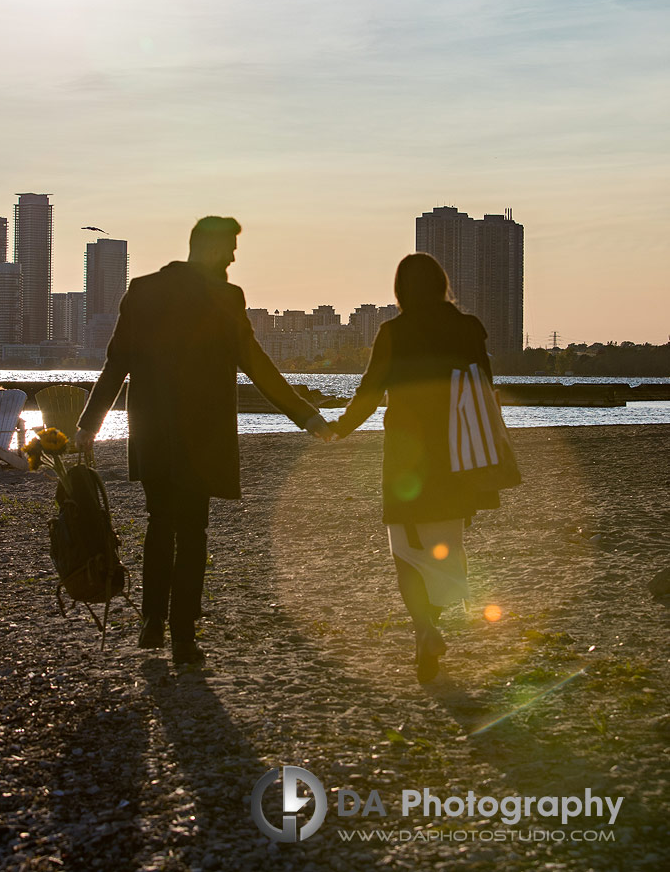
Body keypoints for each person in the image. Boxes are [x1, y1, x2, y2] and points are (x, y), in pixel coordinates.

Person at [75, 216, 331, 664]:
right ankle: (183, 635)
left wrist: (89, 424)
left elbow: (118, 363)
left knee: (160, 524)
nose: (234, 257)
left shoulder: (143, 289)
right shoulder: (225, 297)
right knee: (192, 532)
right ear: (211, 249)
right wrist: (304, 415)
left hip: (152, 430)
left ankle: (152, 620)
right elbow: (256, 363)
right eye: (230, 247)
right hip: (203, 435)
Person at [329, 252, 504, 683]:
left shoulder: (394, 332)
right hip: (458, 455)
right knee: (447, 546)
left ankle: (424, 630)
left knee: (405, 551)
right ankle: (434, 624)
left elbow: (369, 393)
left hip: (407, 458)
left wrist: (339, 428)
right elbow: (485, 391)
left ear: (401, 290)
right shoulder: (468, 329)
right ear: (443, 284)